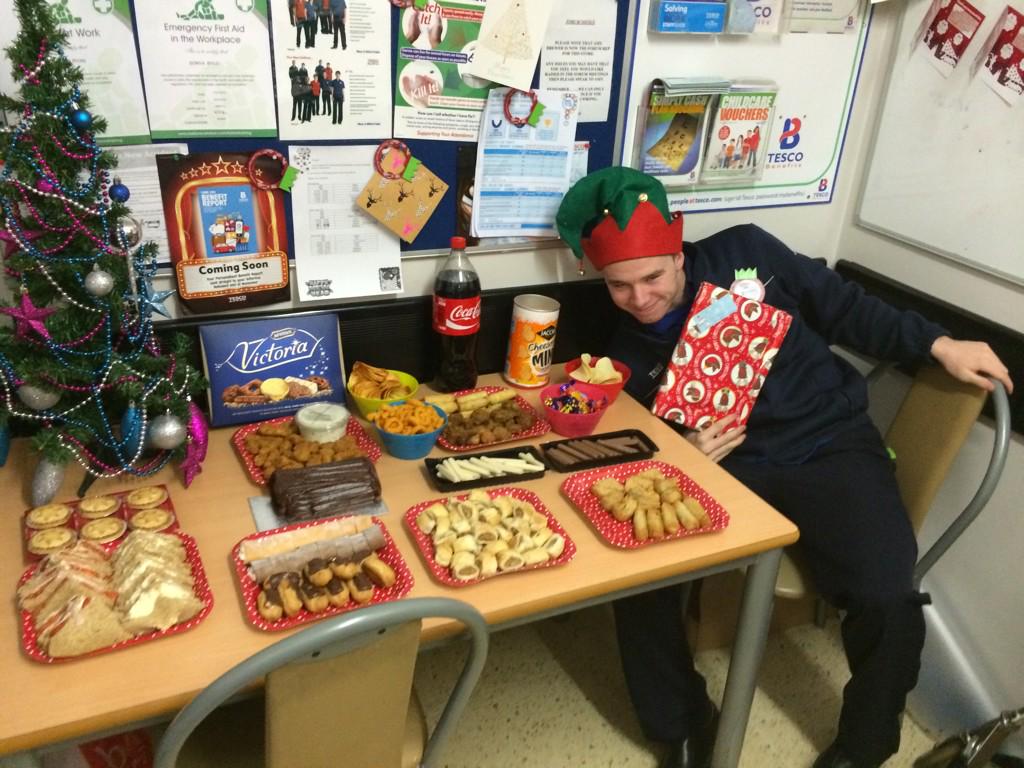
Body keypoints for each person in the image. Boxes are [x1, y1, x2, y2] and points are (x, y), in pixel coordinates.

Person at [554, 167, 1013, 768]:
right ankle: (681, 725)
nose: (641, 299)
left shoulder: (748, 253)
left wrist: (938, 344)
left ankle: (863, 748)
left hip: (830, 442)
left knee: (889, 596)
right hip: (731, 470)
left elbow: (845, 306)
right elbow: (637, 456)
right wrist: (682, 451)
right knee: (642, 575)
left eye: (653, 276)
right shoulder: (622, 357)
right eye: (619, 286)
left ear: (679, 250)